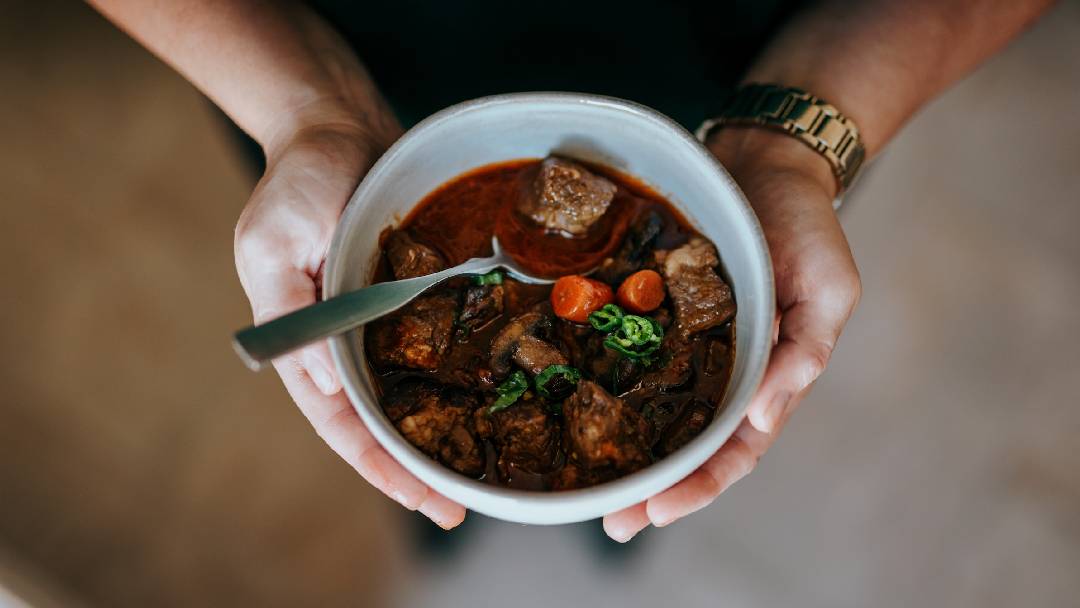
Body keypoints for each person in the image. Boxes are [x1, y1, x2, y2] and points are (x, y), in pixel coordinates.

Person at [89, 0, 1054, 542]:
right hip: (335, 48)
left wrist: (799, 143)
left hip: (749, 82)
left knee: (643, 494)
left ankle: (593, 550)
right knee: (420, 481)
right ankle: (444, 529)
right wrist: (308, 109)